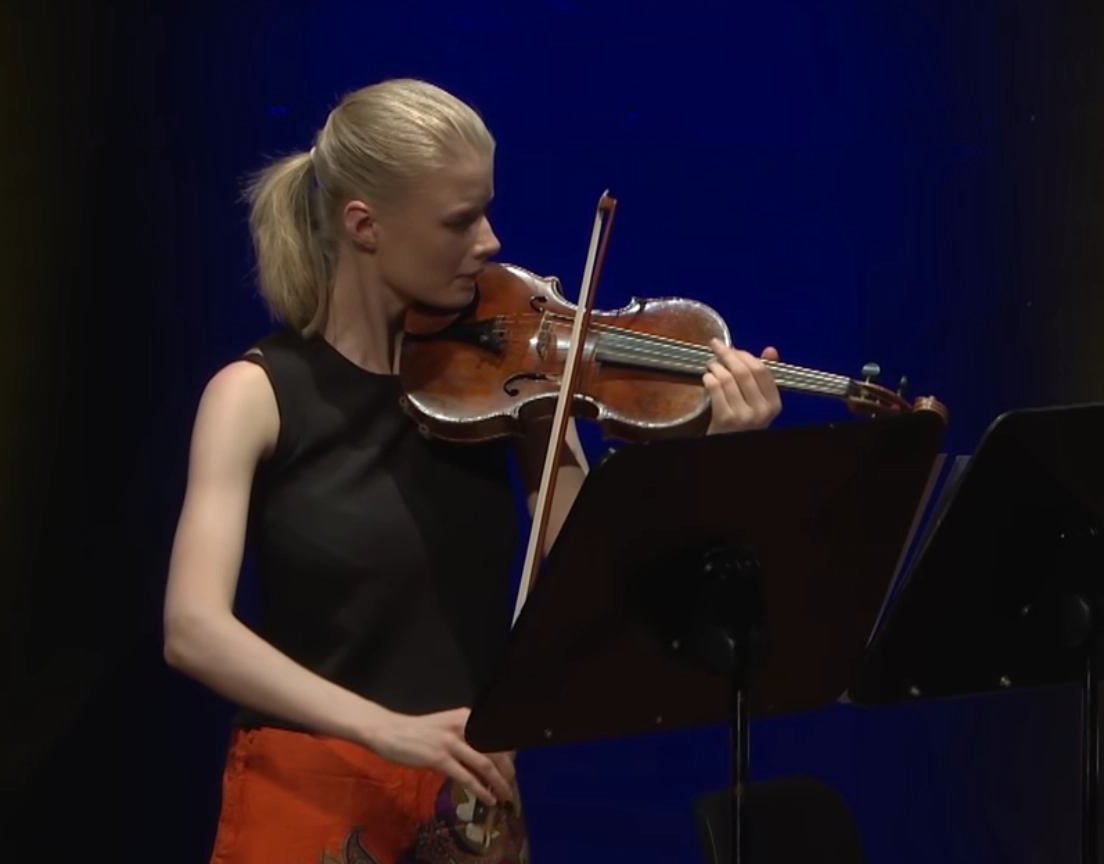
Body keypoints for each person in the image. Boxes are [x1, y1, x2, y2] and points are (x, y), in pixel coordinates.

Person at [162, 78, 783, 864]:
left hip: (466, 810)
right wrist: (385, 728)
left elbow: (608, 578)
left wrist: (721, 452)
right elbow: (193, 630)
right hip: (311, 800)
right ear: (365, 226)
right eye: (459, 221)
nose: (490, 241)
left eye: (486, 209)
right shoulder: (254, 395)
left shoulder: (512, 388)